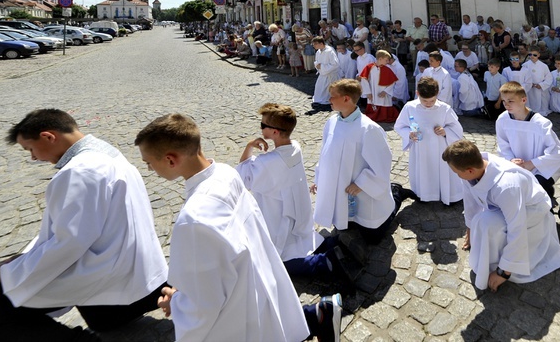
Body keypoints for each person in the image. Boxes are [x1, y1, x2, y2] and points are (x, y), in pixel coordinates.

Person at [135, 114, 340, 342]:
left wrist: (176, 302)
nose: (150, 169)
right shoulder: (225, 172)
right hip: (257, 279)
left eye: (149, 164)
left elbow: (204, 304)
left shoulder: (192, 220)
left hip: (238, 310)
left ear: (171, 160)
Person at [1, 109, 168, 341]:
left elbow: (69, 243)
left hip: (105, 266)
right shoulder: (104, 152)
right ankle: (127, 305)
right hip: (133, 258)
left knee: (5, 301)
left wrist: (15, 270)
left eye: (30, 149)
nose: (33, 158)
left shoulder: (79, 171)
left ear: (49, 136)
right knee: (103, 321)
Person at [443, 140, 560, 292]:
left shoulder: (507, 186)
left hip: (531, 210)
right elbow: (470, 203)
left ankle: (504, 262)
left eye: (456, 172)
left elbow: (517, 229)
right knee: (479, 222)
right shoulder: (474, 167)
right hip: (505, 207)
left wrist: (504, 272)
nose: (456, 175)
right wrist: (470, 230)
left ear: (469, 171)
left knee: (486, 223)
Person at [235, 103, 338, 278]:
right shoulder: (296, 147)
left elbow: (242, 177)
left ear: (274, 132)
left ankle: (327, 263)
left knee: (278, 262)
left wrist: (249, 146)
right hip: (299, 216)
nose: (260, 128)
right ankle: (332, 247)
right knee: (303, 241)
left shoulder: (266, 163)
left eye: (263, 125)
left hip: (279, 218)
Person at [311, 79, 407, 245]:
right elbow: (325, 154)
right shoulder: (332, 122)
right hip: (340, 187)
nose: (329, 100)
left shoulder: (369, 129)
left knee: (373, 238)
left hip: (362, 189)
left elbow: (381, 163)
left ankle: (397, 193)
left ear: (346, 99)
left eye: (333, 96)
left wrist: (362, 183)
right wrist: (319, 179)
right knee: (344, 224)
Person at [394, 77, 464, 205]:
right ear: (417, 94)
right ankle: (424, 194)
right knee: (423, 170)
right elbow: (400, 126)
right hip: (420, 148)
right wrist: (409, 134)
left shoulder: (444, 108)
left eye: (432, 100)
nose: (428, 104)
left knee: (442, 169)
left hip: (440, 147)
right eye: (425, 100)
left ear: (437, 94)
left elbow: (456, 128)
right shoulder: (410, 107)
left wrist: (445, 132)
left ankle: (446, 194)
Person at [495, 82, 560, 202]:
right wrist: (511, 159)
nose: (506, 105)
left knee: (536, 189)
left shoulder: (541, 123)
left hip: (541, 166)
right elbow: (503, 145)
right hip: (517, 163)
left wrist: (532, 163)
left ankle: (546, 201)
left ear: (523, 100)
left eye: (511, 101)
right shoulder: (503, 119)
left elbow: (557, 152)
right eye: (503, 101)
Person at [360, 50, 400, 123]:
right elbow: (364, 80)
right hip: (372, 91)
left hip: (383, 93)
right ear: (380, 59)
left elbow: (392, 82)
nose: (387, 62)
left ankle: (384, 116)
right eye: (386, 60)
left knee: (384, 103)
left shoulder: (388, 69)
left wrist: (386, 91)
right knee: (373, 104)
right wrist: (368, 92)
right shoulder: (369, 67)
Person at [522, 45, 552, 116]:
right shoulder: (525, 65)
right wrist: (529, 84)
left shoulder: (544, 66)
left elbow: (549, 78)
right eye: (530, 54)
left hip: (540, 88)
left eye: (534, 55)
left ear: (538, 55)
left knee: (541, 106)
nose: (532, 56)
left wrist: (541, 85)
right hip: (530, 88)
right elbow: (522, 77)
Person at [312, 36, 340, 110]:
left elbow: (335, 64)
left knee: (327, 90)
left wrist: (322, 66)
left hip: (330, 75)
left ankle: (327, 102)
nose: (314, 46)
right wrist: (317, 65)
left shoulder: (330, 51)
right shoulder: (318, 52)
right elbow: (317, 61)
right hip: (322, 74)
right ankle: (319, 101)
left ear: (321, 43)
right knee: (319, 87)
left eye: (315, 44)